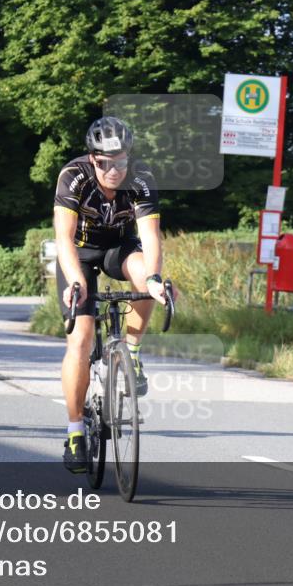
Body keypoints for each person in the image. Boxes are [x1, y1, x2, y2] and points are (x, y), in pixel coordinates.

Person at [54, 116, 171, 473]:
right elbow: (63, 237)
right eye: (105, 163)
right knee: (81, 338)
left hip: (119, 248)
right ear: (92, 159)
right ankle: (75, 431)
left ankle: (132, 350)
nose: (114, 170)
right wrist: (75, 281)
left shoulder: (141, 177)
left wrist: (153, 279)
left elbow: (150, 237)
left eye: (120, 161)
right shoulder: (72, 176)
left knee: (147, 276)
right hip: (80, 253)